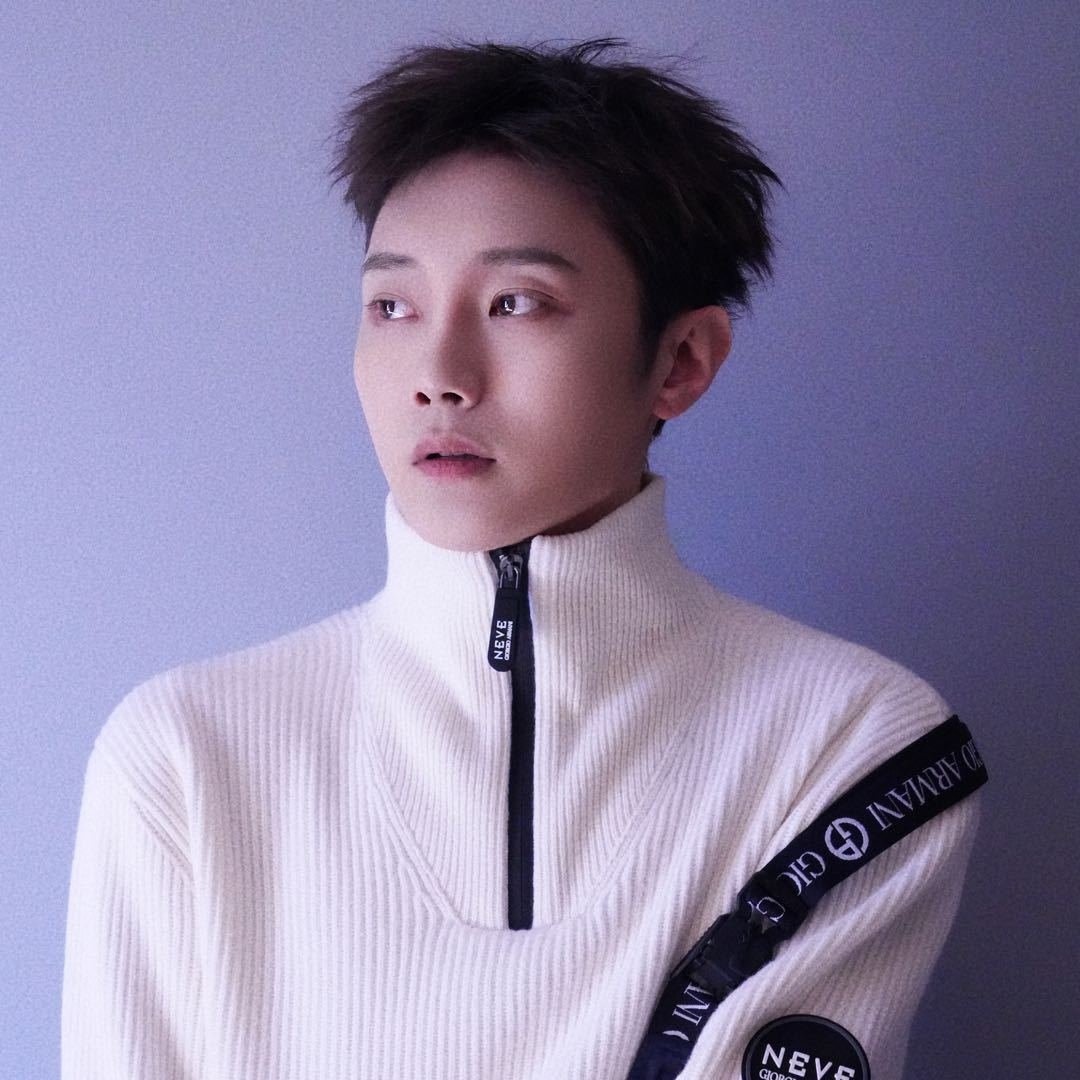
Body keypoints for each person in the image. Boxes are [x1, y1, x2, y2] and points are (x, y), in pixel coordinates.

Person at [61, 36, 983, 1080]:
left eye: (516, 303)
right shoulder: (187, 757)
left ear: (681, 361)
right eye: (393, 306)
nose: (439, 374)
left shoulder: (851, 742)